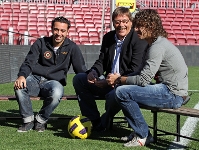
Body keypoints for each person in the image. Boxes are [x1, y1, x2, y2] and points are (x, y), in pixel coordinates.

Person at [106, 9, 188, 147]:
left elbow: (143, 80)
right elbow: (140, 73)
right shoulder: (154, 44)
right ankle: (138, 131)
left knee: (122, 92)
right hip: (169, 90)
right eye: (136, 25)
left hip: (172, 94)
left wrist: (119, 79)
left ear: (151, 26)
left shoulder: (157, 46)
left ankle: (142, 135)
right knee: (123, 89)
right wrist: (121, 79)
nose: (136, 29)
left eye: (140, 26)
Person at [73, 7, 148, 131]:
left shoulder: (138, 39)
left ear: (131, 22)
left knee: (116, 94)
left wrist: (116, 80)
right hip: (108, 81)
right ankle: (94, 120)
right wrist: (93, 72)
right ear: (113, 23)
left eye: (125, 21)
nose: (121, 25)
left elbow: (136, 69)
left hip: (126, 83)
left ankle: (105, 121)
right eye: (117, 22)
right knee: (79, 79)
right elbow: (102, 60)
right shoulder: (108, 37)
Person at [14, 16, 87, 132]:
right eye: (56, 29)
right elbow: (29, 62)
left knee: (57, 92)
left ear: (68, 32)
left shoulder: (72, 47)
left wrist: (90, 79)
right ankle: (28, 120)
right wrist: (22, 75)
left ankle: (41, 120)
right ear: (52, 29)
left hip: (54, 82)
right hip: (35, 79)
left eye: (63, 31)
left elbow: (81, 70)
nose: (59, 33)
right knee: (19, 86)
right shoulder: (40, 43)